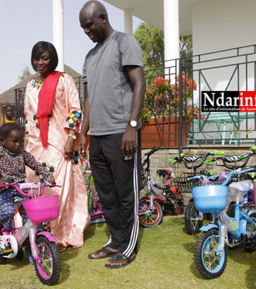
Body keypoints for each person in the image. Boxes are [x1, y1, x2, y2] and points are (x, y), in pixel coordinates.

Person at [78, 1, 145, 268]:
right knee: (106, 194)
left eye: (89, 25)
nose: (86, 31)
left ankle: (128, 247)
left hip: (121, 133)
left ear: (103, 18)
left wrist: (132, 125)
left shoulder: (123, 43)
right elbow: (90, 100)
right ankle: (115, 240)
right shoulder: (89, 57)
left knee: (126, 193)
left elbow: (139, 83)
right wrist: (83, 133)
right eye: (82, 27)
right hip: (98, 136)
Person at [23, 41, 90, 250]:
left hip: (59, 143)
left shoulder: (64, 79)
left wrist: (71, 137)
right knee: (37, 189)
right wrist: (25, 146)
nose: (40, 62)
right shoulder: (30, 84)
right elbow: (27, 116)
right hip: (35, 145)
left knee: (58, 188)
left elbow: (75, 110)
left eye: (44, 58)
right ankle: (38, 233)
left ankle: (58, 234)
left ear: (53, 59)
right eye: (36, 58)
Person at [0, 123, 55, 245]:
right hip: (4, 189)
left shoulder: (22, 154)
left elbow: (36, 165)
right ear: (2, 140)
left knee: (30, 217)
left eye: (21, 141)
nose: (18, 145)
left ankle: (26, 241)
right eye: (14, 141)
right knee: (8, 211)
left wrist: (48, 176)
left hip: (20, 189)